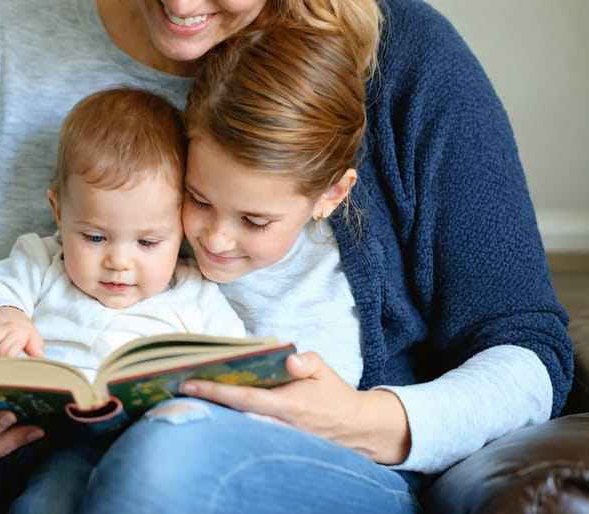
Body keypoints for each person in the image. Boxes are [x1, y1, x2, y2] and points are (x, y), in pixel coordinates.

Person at [0, 0, 571, 512]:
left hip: (264, 458)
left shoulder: (395, 56)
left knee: (161, 462)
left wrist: (377, 421)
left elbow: (529, 345)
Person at [78, 18, 573, 514]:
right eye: (197, 200)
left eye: (255, 220)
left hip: (347, 469)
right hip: (162, 438)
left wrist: (366, 418)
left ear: (332, 194)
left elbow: (529, 347)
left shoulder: (411, 66)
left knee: (159, 462)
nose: (216, 237)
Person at [0, 86, 247, 513]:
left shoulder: (195, 294)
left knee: (52, 502)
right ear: (59, 211)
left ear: (182, 226)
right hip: (1, 421)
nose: (118, 261)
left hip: (94, 446)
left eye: (148, 241)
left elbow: (238, 374)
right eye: (95, 237)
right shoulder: (42, 261)